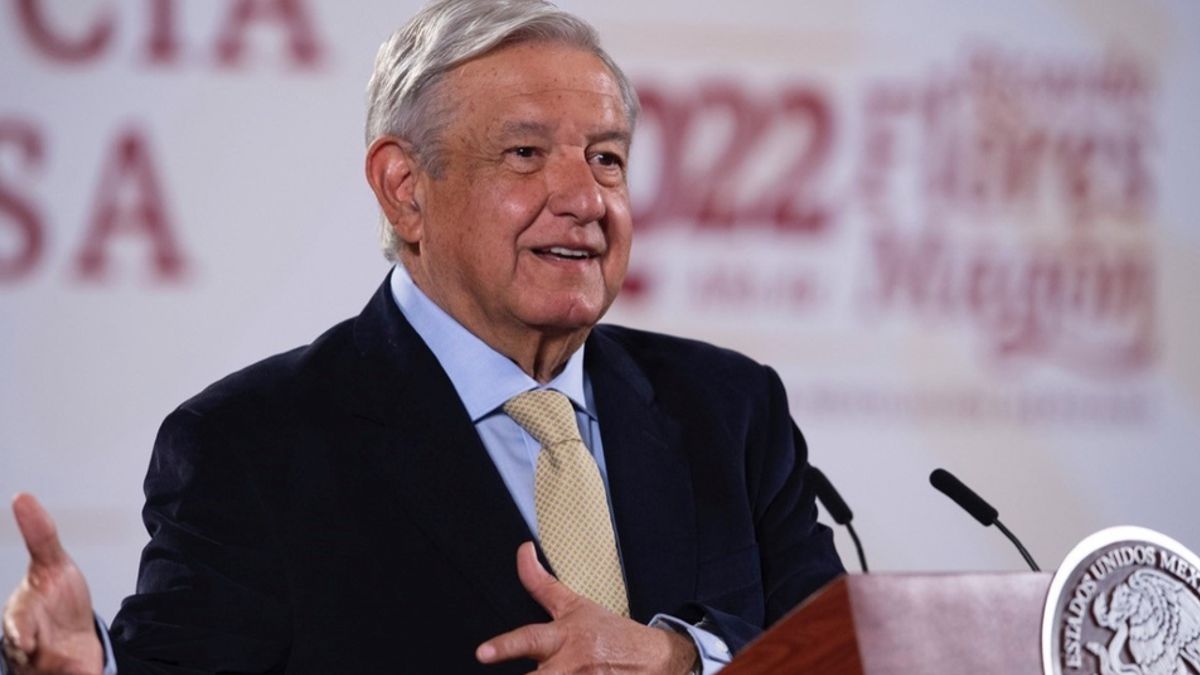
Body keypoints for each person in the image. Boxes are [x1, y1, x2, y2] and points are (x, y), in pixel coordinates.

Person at [1, 1, 843, 673]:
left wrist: (679, 658)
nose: (586, 198)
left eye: (607, 158)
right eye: (525, 153)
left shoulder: (730, 410)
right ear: (404, 188)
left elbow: (843, 654)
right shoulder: (252, 445)